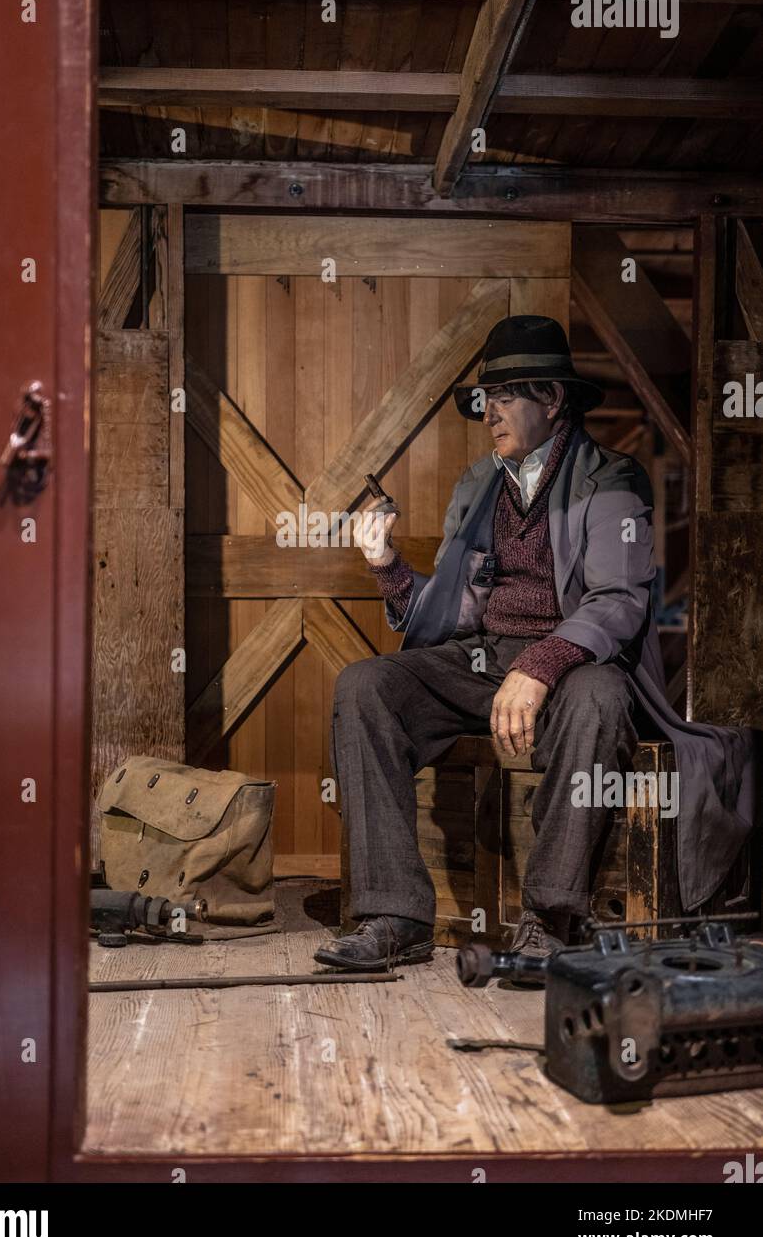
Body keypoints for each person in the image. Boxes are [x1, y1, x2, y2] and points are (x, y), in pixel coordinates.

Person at [314, 315, 756, 970]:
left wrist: (541, 663)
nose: (489, 411)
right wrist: (388, 567)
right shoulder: (478, 485)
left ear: (551, 399)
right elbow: (459, 612)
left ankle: (549, 918)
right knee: (365, 685)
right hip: (484, 661)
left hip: (577, 666)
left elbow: (619, 600)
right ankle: (395, 915)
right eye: (485, 398)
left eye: (505, 395)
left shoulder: (613, 480)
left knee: (599, 699)